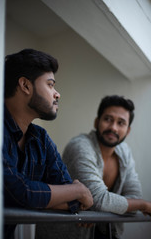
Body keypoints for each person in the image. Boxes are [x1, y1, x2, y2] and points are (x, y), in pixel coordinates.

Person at [3, 48, 93, 239]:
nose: (57, 94)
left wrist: (70, 193)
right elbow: (19, 192)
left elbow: (72, 197)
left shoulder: (41, 140)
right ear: (25, 86)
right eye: (50, 85)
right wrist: (77, 189)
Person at [62, 95, 151, 239]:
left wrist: (100, 210)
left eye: (121, 123)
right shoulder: (80, 146)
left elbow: (134, 195)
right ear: (97, 122)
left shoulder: (125, 152)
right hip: (68, 233)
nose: (113, 127)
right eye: (108, 119)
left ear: (128, 130)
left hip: (108, 233)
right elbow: (99, 199)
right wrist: (143, 205)